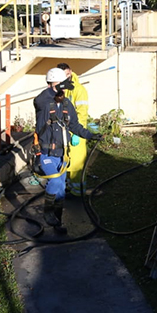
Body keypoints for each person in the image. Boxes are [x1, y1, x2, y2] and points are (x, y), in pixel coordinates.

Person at [33, 67, 100, 231]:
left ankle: (57, 221)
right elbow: (39, 100)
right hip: (47, 153)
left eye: (64, 84)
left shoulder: (66, 104)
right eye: (60, 84)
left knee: (61, 190)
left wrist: (90, 135)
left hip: (62, 154)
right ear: (51, 84)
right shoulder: (43, 102)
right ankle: (48, 212)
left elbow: (75, 126)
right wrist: (55, 88)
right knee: (55, 180)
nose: (63, 88)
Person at [56, 62, 91, 197]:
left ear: (70, 72)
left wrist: (78, 132)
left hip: (76, 132)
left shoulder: (79, 90)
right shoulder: (61, 87)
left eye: (65, 75)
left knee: (77, 163)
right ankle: (69, 188)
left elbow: (82, 113)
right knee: (66, 161)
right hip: (64, 131)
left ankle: (78, 193)